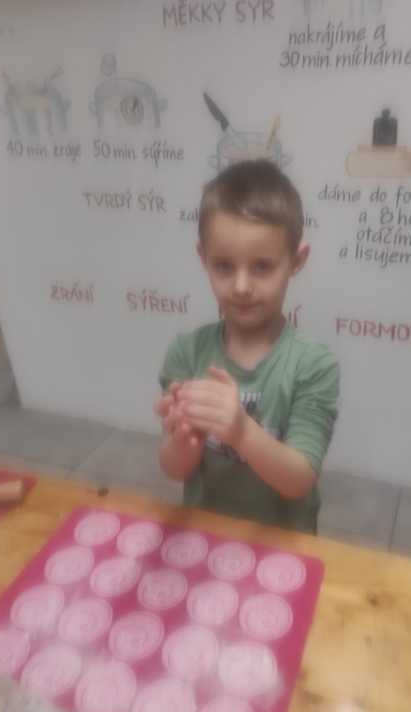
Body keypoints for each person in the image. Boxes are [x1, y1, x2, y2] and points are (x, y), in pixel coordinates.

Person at [154, 159, 340, 533]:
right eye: (224, 266)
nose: (241, 286)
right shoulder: (187, 354)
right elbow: (174, 470)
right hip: (206, 536)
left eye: (262, 267)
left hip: (283, 543)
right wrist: (186, 440)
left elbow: (300, 478)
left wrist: (242, 432)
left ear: (296, 261)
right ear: (203, 259)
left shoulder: (314, 365)